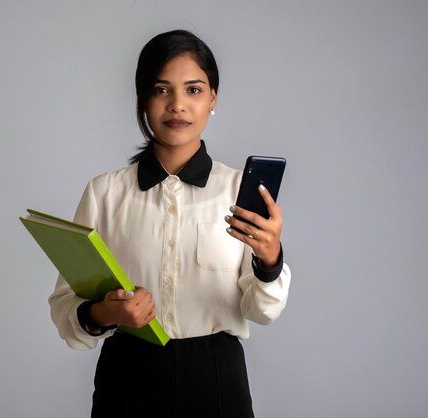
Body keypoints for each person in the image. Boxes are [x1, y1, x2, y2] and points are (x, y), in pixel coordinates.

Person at [48, 29, 291, 418]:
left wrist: (270, 260)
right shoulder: (104, 193)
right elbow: (65, 310)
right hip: (128, 376)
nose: (178, 104)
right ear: (143, 99)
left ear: (213, 98)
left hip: (216, 378)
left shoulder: (240, 191)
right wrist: (110, 313)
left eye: (194, 90)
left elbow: (262, 311)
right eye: (162, 90)